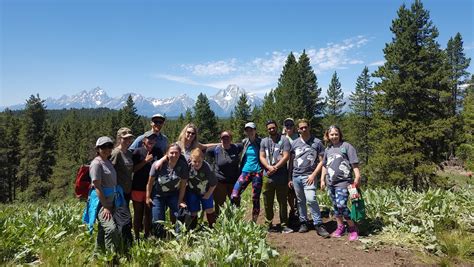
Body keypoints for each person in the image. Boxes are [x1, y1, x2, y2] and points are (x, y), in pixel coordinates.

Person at [89, 136, 132, 255]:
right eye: (103, 147)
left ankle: (97, 254)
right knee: (111, 229)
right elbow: (97, 187)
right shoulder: (96, 164)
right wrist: (106, 206)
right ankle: (110, 257)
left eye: (109, 146)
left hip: (112, 201)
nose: (107, 149)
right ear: (97, 149)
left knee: (103, 229)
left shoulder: (107, 161)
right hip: (102, 203)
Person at [290, 119, 329, 237]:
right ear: (298, 129)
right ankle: (304, 222)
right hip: (296, 175)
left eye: (305, 127)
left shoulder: (317, 142)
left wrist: (314, 175)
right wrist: (289, 178)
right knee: (300, 201)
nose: (303, 129)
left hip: (309, 176)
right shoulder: (295, 143)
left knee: (311, 199)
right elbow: (292, 161)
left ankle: (318, 224)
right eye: (301, 128)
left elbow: (322, 161)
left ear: (309, 127)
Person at [320, 125, 361, 241]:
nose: (334, 136)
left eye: (336, 134)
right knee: (336, 207)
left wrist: (357, 176)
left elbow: (354, 164)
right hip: (330, 182)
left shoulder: (347, 147)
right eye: (331, 134)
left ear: (340, 134)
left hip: (344, 182)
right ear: (328, 136)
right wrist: (322, 179)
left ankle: (352, 228)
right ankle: (340, 227)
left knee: (342, 205)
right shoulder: (328, 149)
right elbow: (324, 166)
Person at [146, 143, 189, 237]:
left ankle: (178, 236)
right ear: (167, 154)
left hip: (173, 194)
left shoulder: (182, 165)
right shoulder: (158, 165)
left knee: (182, 212)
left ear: (180, 154)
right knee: (157, 219)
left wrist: (180, 200)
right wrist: (148, 197)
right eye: (171, 153)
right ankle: (159, 238)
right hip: (158, 195)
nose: (174, 155)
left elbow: (183, 185)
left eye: (176, 153)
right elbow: (150, 183)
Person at [259, 120, 292, 233]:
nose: (272, 130)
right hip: (267, 176)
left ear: (277, 127)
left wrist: (275, 167)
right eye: (269, 128)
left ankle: (284, 224)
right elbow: (262, 156)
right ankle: (268, 223)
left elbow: (286, 156)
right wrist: (268, 167)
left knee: (282, 200)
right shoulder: (264, 141)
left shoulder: (284, 140)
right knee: (267, 201)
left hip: (281, 175)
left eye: (273, 127)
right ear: (267, 130)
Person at [231, 122, 263, 222]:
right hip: (245, 171)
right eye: (247, 130)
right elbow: (231, 146)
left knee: (255, 198)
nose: (249, 132)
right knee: (234, 195)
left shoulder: (261, 142)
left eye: (251, 129)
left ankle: (254, 221)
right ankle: (236, 217)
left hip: (257, 172)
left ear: (255, 130)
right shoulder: (244, 142)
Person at [206, 130, 243, 215]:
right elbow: (207, 151)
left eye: (227, 137)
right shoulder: (216, 149)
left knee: (235, 203)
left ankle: (235, 222)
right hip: (220, 182)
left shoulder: (236, 147)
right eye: (223, 138)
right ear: (220, 139)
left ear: (231, 139)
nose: (225, 139)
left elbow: (246, 144)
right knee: (219, 205)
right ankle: (219, 222)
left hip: (234, 182)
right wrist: (211, 167)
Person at [179, 148, 218, 228]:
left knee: (209, 209)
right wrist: (181, 198)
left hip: (206, 191)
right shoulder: (188, 167)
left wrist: (208, 194)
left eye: (199, 161)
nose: (197, 164)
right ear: (190, 160)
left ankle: (213, 228)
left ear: (203, 159)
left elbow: (214, 183)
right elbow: (184, 182)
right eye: (194, 161)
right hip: (192, 191)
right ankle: (192, 229)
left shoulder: (207, 168)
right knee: (193, 211)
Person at [131, 131, 157, 239]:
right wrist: (145, 161)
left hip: (151, 189)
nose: (151, 141)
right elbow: (133, 169)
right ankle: (136, 236)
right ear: (143, 141)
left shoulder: (157, 152)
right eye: (149, 139)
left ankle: (147, 235)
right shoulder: (137, 152)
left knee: (149, 213)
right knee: (138, 213)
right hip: (138, 187)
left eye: (153, 139)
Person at [110, 127, 135, 203]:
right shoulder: (116, 153)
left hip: (127, 190)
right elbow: (109, 171)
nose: (128, 140)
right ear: (119, 139)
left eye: (130, 138)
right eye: (125, 138)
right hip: (118, 190)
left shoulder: (129, 153)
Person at [282, 118, 299, 224]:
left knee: (297, 192)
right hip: (285, 167)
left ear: (294, 127)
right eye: (287, 126)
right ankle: (292, 209)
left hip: (296, 167)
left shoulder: (298, 137)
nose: (289, 128)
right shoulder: (282, 138)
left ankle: (297, 211)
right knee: (288, 192)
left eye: (290, 125)